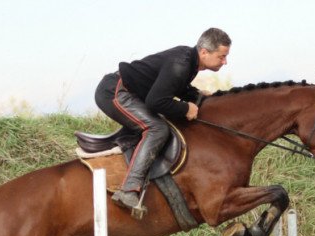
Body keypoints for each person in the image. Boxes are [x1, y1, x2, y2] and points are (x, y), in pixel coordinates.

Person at [95, 27, 231, 213]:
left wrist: (197, 96)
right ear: (204, 52)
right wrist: (185, 108)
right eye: (221, 56)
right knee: (157, 128)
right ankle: (129, 189)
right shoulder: (182, 63)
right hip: (115, 91)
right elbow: (156, 101)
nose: (225, 62)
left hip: (128, 93)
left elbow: (176, 87)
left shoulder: (188, 60)